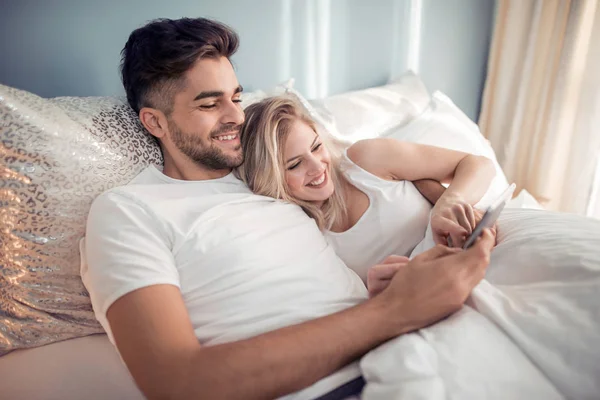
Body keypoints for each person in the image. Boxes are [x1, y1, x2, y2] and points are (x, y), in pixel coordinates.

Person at [81, 17, 495, 400]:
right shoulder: (128, 210)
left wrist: (386, 285)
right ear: (155, 123)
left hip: (406, 351)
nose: (235, 117)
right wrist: (393, 311)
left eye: (236, 97)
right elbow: (177, 382)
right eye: (209, 105)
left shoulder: (268, 178)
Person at [237, 95, 497, 292]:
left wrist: (448, 202)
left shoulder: (365, 162)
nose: (317, 167)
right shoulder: (300, 235)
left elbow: (479, 165)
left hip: (482, 257)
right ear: (269, 179)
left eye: (316, 147)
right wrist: (375, 293)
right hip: (427, 295)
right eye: (295, 164)